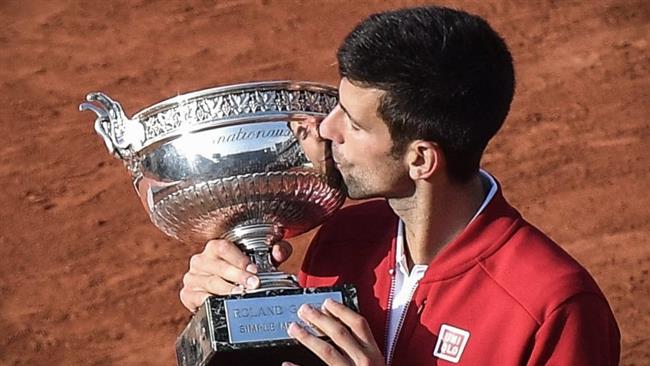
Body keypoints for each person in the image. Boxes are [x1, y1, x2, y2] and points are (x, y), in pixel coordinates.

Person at [180, 6, 620, 365]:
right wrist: (229, 306)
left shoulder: (552, 309)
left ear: (421, 159)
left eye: (352, 123)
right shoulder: (343, 239)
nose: (326, 129)